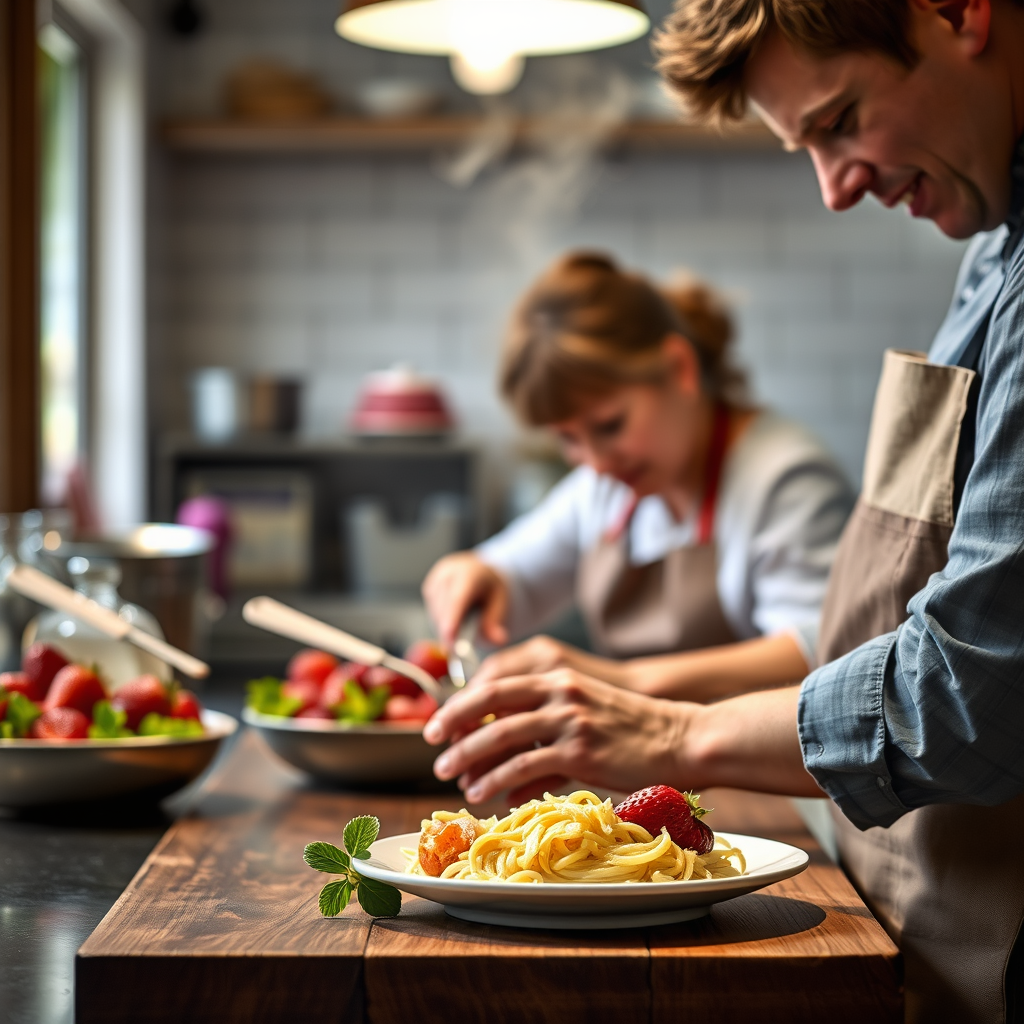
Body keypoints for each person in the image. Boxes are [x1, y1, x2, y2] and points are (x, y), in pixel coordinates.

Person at [423, 1, 1024, 1021]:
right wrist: (476, 571)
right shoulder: (990, 253)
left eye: (838, 121)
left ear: (957, 11)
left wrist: (658, 718)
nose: (835, 189)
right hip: (900, 904)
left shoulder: (772, 470)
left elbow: (965, 698)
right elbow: (525, 552)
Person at [423, 254, 853, 703]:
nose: (595, 462)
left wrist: (623, 681)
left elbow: (818, 653)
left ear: (679, 369)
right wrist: (479, 574)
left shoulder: (786, 479)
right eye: (567, 439)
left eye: (610, 425)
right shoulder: (606, 489)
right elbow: (516, 570)